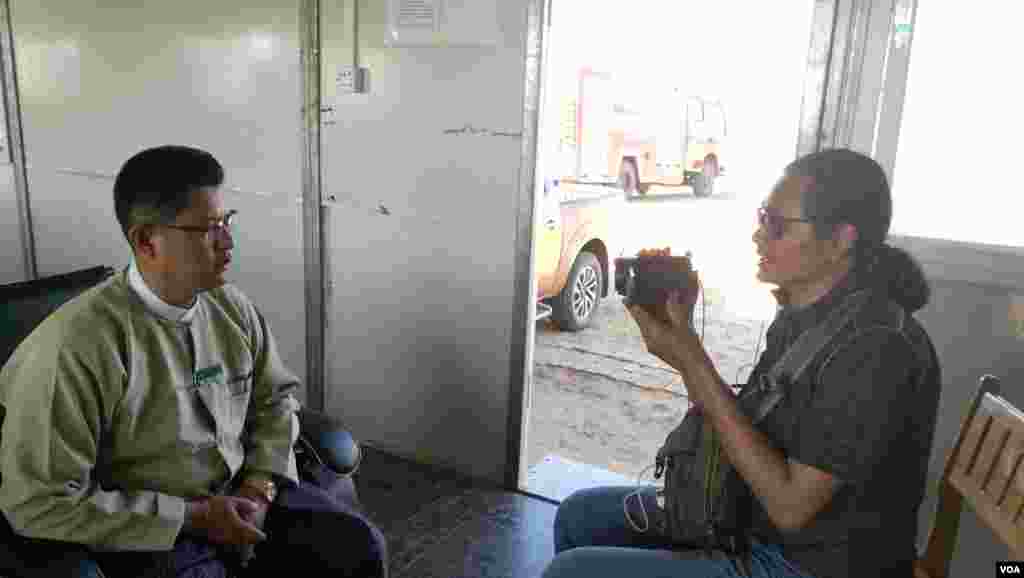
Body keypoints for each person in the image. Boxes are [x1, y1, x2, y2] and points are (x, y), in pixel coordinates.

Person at [542, 148, 941, 578]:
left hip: (808, 564)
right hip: (749, 521)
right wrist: (679, 338)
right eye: (762, 216)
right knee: (579, 516)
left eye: (778, 225)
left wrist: (692, 361)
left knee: (573, 572)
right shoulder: (803, 315)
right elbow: (749, 428)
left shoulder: (878, 349)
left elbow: (790, 506)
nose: (759, 236)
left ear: (841, 240)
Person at [0, 145, 387, 577]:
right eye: (207, 229)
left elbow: (274, 403)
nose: (227, 241)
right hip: (151, 525)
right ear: (147, 240)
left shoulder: (231, 307)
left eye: (227, 222)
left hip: (244, 494)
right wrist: (194, 517)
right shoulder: (74, 349)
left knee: (354, 547)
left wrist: (259, 490)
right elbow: (38, 502)